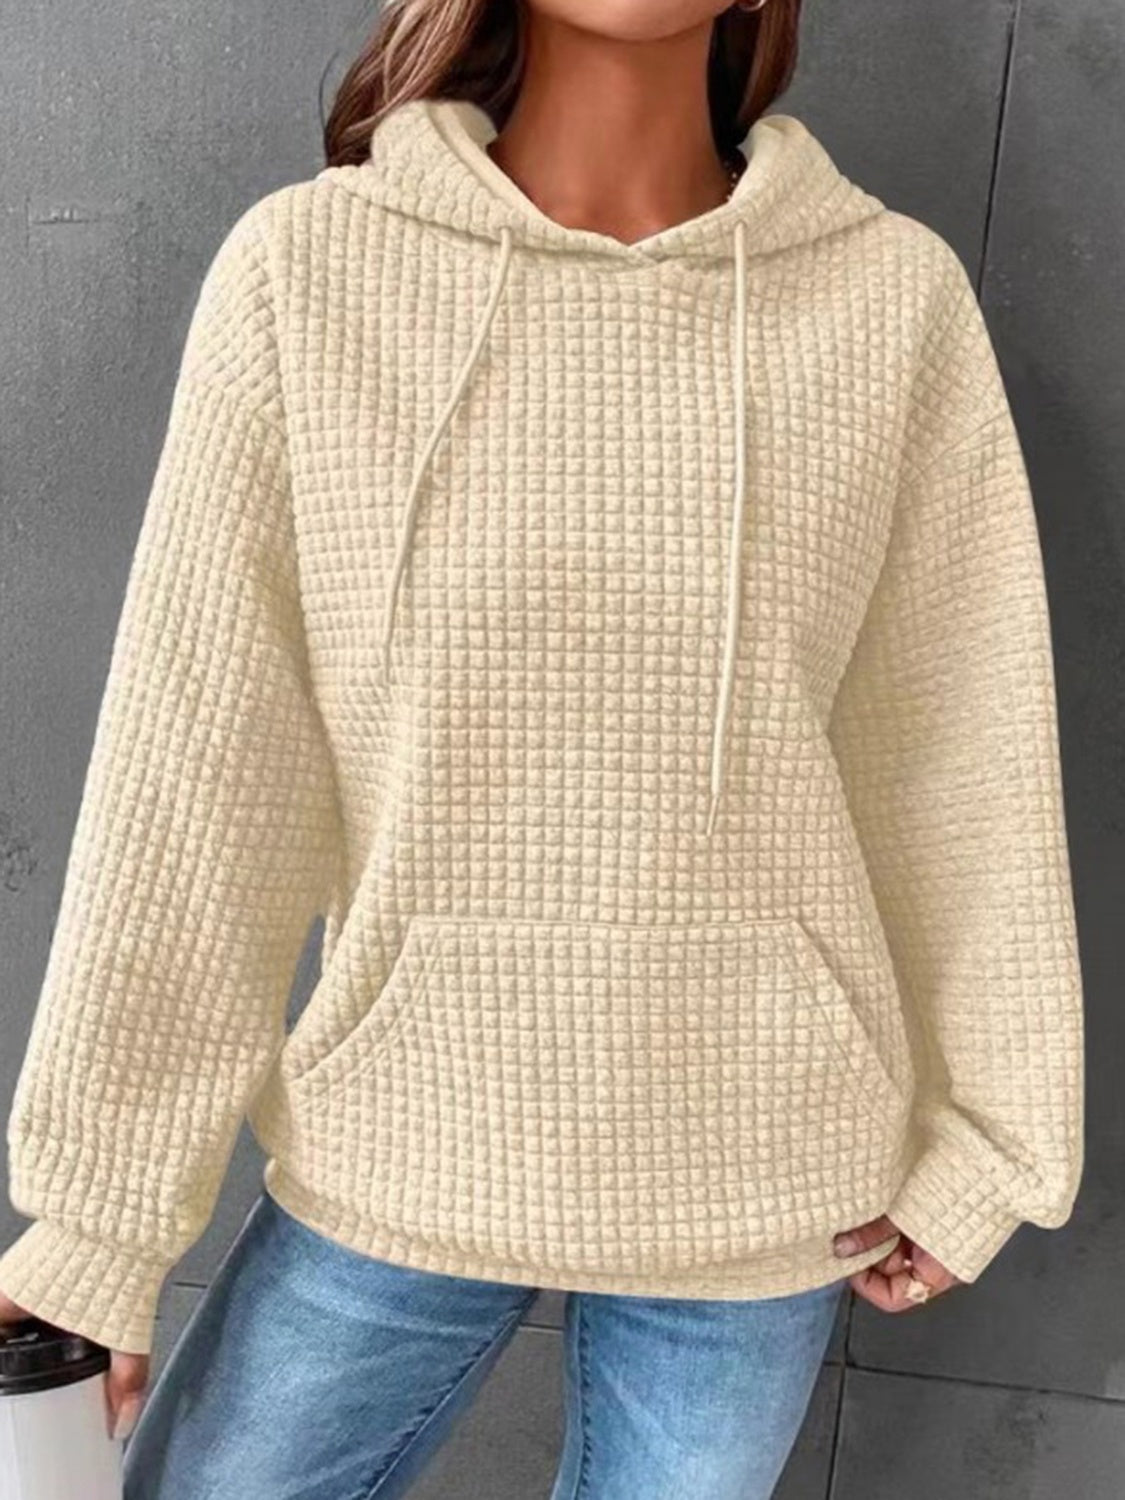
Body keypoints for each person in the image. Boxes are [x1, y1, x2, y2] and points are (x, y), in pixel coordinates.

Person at [0, 1, 1085, 1496]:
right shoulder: (312, 273)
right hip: (407, 1139)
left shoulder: (888, 298)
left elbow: (960, 747)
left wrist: (990, 1139)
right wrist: (99, 1224)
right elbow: (199, 770)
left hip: (760, 1167)